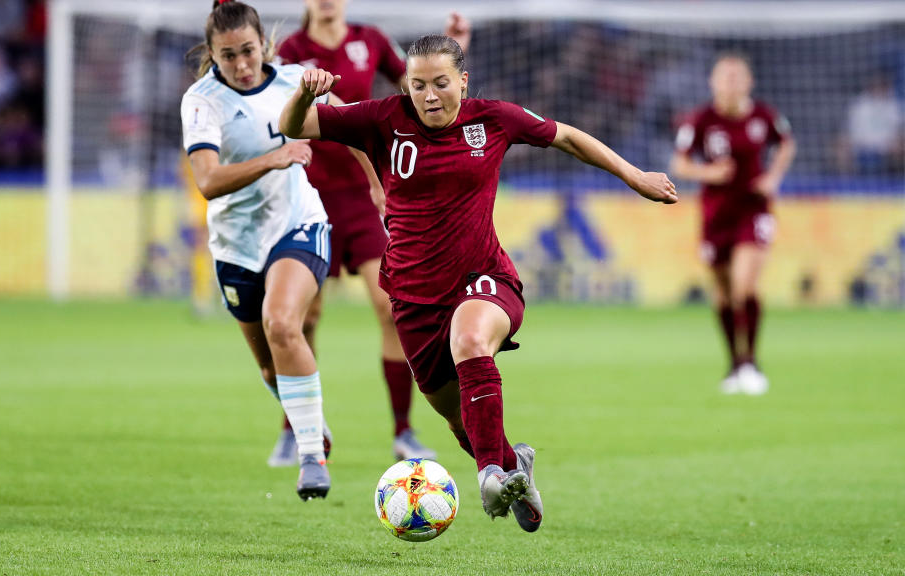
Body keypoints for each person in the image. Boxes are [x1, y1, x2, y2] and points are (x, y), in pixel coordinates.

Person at [279, 34, 677, 531]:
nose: (428, 95)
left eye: (441, 84)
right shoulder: (383, 119)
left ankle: (490, 474)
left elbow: (570, 137)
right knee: (460, 420)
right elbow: (292, 125)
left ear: (462, 82)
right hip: (412, 299)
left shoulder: (494, 119)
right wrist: (304, 93)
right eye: (418, 84)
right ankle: (513, 466)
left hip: (484, 278)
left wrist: (635, 175)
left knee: (470, 340)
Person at [270, 0, 472, 465]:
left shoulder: (371, 41)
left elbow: (420, 89)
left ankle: (404, 430)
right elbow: (278, 120)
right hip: (307, 200)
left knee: (389, 306)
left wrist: (457, 50)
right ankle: (295, 429)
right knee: (305, 317)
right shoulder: (289, 51)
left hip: (364, 201)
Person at [181, 0, 338, 500]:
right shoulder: (203, 101)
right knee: (269, 366)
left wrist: (379, 186)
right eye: (228, 55)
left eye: (248, 50)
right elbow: (208, 181)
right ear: (212, 54)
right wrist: (274, 158)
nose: (242, 64)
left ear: (264, 43)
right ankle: (310, 418)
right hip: (235, 245)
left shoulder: (296, 80)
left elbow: (359, 126)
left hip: (299, 223)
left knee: (281, 322)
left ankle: (311, 455)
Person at [670, 53, 795, 395]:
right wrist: (707, 172)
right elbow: (679, 164)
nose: (731, 83)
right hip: (716, 215)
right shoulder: (699, 120)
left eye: (737, 76)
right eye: (724, 77)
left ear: (749, 82)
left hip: (753, 209)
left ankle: (752, 362)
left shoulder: (764, 117)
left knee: (745, 287)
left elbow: (786, 144)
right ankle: (734, 365)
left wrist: (773, 178)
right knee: (723, 293)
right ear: (713, 83)